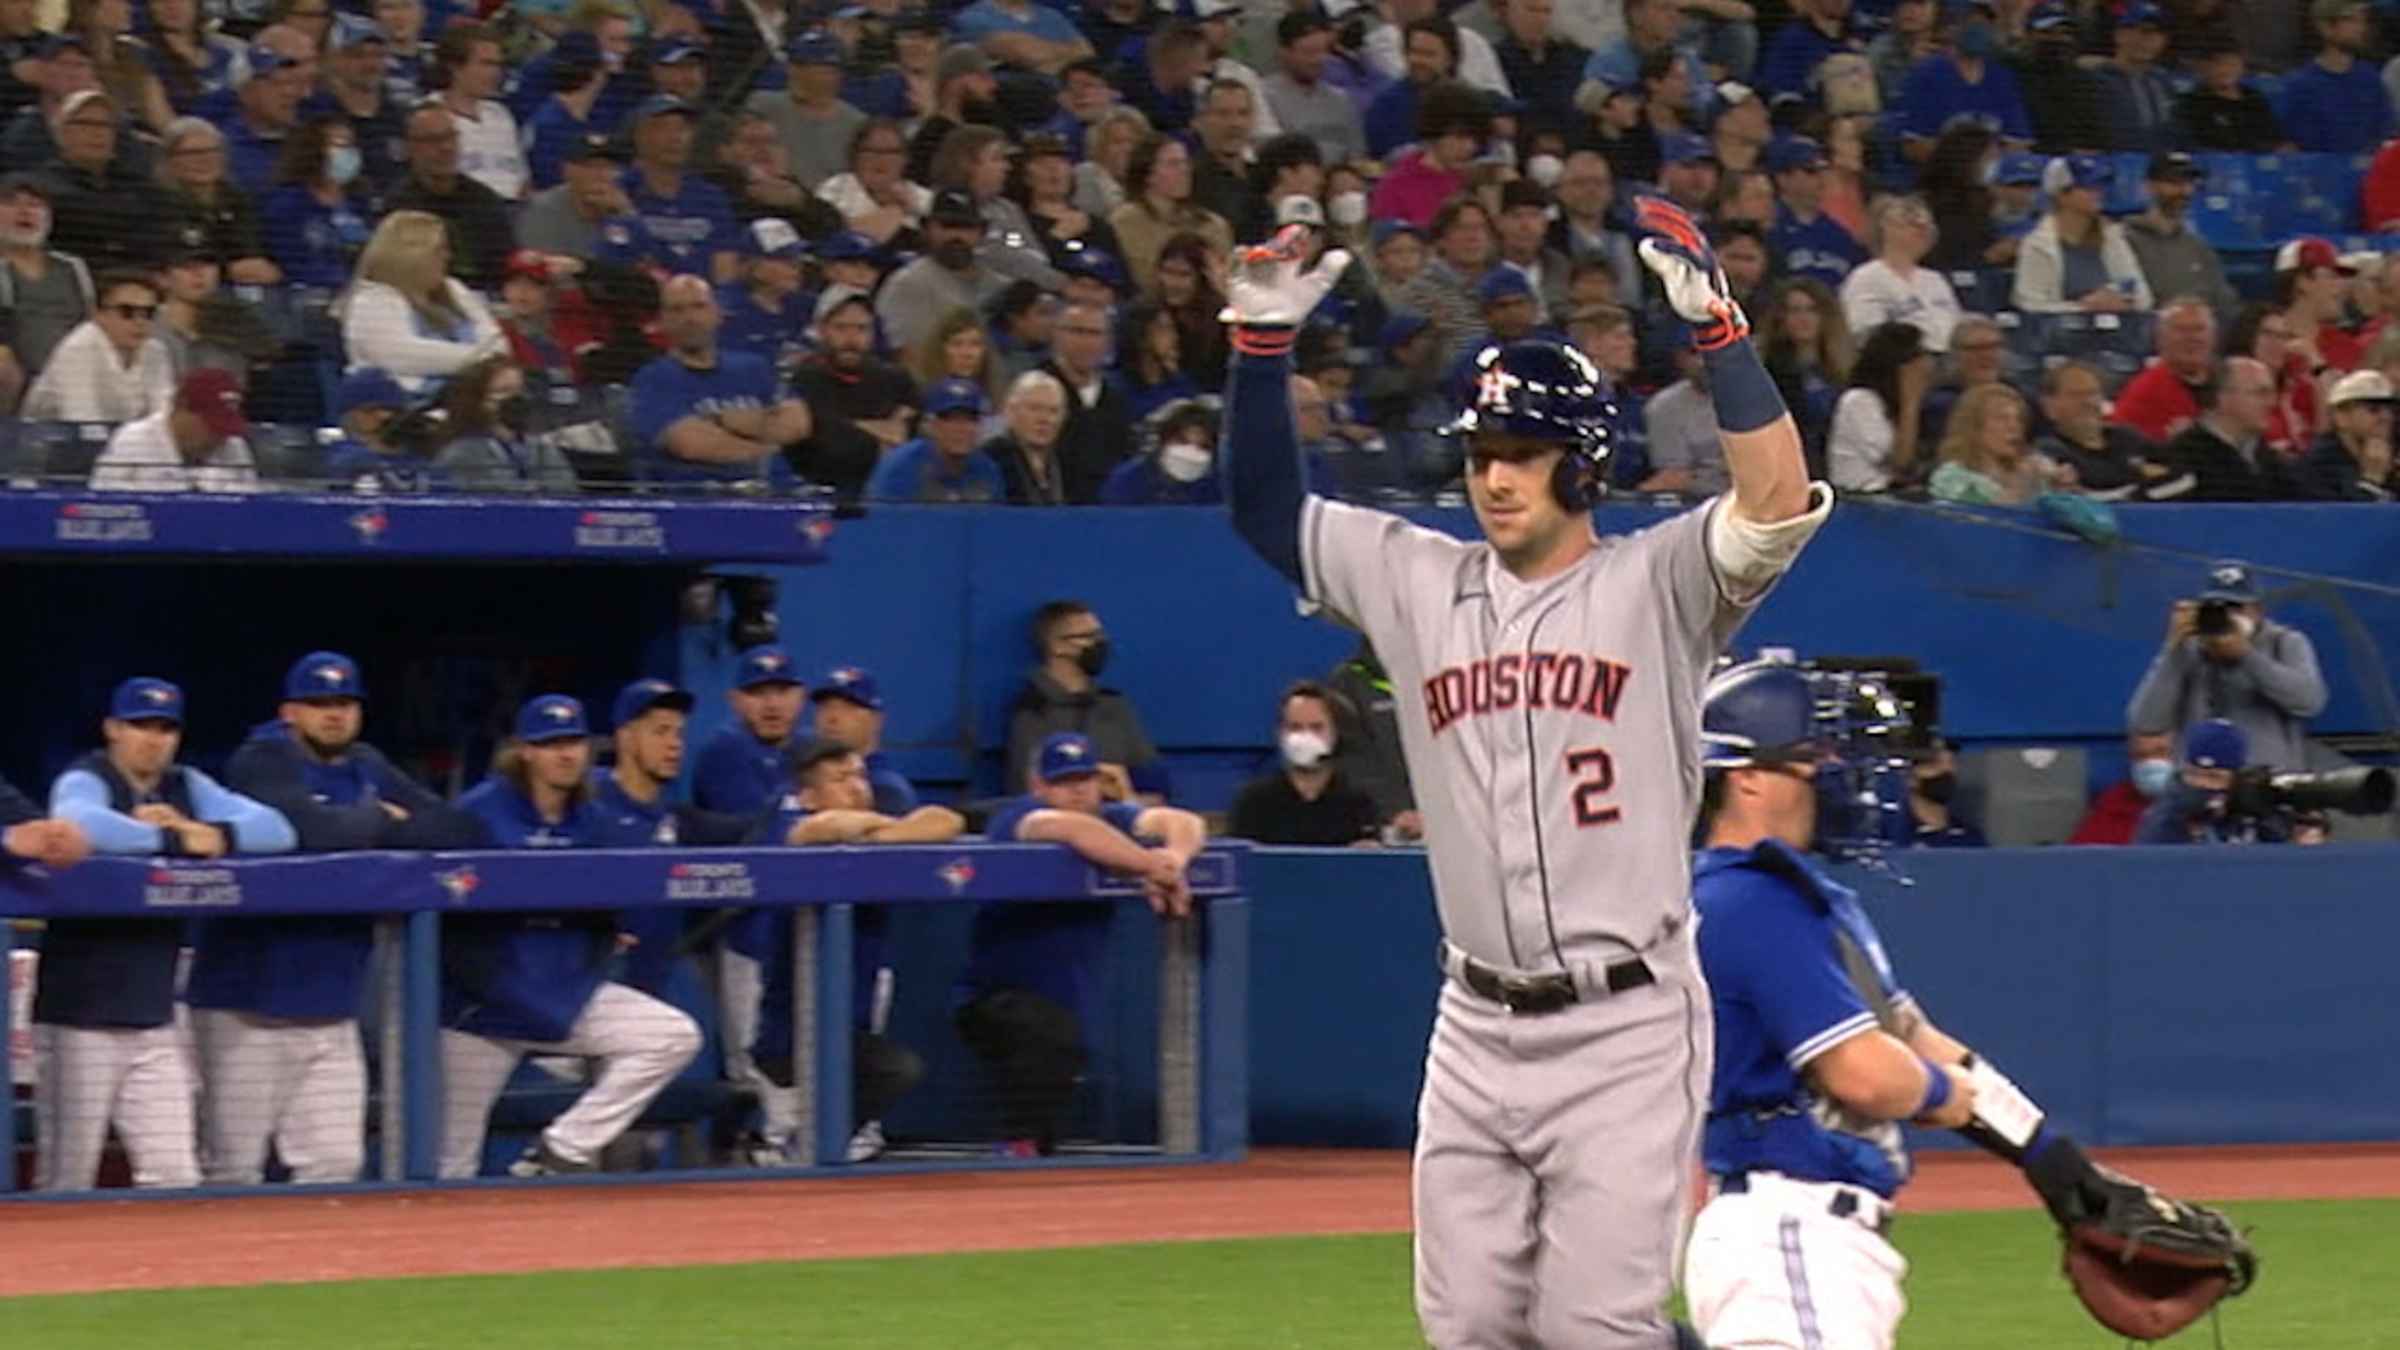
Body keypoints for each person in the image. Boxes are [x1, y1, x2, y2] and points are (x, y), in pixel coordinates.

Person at [1220, 193, 1829, 1346]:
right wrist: (1259, 351)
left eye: (1525, 456)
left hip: (1627, 1022)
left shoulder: (1659, 586)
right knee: (1468, 1335)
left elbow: (1775, 500)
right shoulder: (1414, 579)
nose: (1496, 479)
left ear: (1583, 465)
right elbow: (1262, 510)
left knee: (1596, 1330)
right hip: (1474, 1020)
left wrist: (1723, 338)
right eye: (1482, 455)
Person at [1684, 660, 2167, 1350]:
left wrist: (2048, 1157)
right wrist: (1942, 1094)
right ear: (1748, 775)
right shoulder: (1752, 901)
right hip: (1788, 1226)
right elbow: (1871, 1075)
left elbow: (1914, 1036)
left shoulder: (1786, 895)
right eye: (1812, 755)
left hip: (1802, 1235)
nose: (1834, 773)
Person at [194, 651, 482, 1186]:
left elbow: (454, 828)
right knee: (232, 1172)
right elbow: (308, 831)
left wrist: (364, 826)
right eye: (318, 703)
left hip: (331, 1005)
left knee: (335, 1165)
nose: (334, 713)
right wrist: (380, 819)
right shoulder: (260, 759)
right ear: (289, 712)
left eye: (345, 702)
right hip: (246, 1005)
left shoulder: (367, 763)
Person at [39, 676, 296, 1191]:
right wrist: (173, 837)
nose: (152, 739)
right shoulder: (86, 777)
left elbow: (278, 830)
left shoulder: (186, 785)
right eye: (139, 726)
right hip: (78, 1021)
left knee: (176, 1179)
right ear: (112, 729)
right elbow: (76, 824)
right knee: (65, 1184)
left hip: (155, 1021)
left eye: (165, 728)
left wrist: (214, 833)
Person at [440, 695, 705, 1178]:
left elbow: (611, 898)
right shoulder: (479, 813)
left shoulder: (592, 818)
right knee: (448, 1165)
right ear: (524, 751)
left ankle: (561, 1148)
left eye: (574, 743)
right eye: (550, 744)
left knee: (671, 1036)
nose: (565, 754)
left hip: (564, 993)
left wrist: (603, 938)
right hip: (482, 1013)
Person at [954, 730, 1206, 1156]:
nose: (1076, 792)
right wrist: (1150, 867)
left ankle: (1026, 1151)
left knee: (1061, 1050)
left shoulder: (1111, 819)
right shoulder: (1020, 815)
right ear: (1039, 786)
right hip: (993, 995)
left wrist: (1175, 860)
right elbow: (1070, 829)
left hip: (1064, 998)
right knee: (1051, 1037)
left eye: (1084, 780)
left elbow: (1183, 822)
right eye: (1063, 782)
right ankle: (1016, 1146)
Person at [746, 737, 959, 1164]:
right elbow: (817, 829)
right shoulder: (787, 817)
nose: (858, 786)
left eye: (859, 775)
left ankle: (800, 1147)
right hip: (791, 1030)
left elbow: (946, 819)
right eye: (841, 779)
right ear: (806, 794)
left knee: (888, 1074)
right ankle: (784, 1145)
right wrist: (884, 831)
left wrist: (880, 833)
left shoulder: (874, 824)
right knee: (890, 1070)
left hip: (847, 1028)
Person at [2127, 560, 2326, 775]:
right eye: (2217, 608)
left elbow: (2309, 701)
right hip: (2200, 783)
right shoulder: (2190, 648)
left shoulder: (2284, 642)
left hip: (2265, 783)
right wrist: (2172, 649)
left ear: (2257, 610)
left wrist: (2246, 655)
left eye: (2235, 607)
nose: (2226, 616)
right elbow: (2147, 723)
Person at [629, 275, 808, 491]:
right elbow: (691, 444)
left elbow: (797, 424)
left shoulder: (754, 367)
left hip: (782, 494)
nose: (690, 318)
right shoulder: (653, 379)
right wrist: (767, 445)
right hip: (702, 501)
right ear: (662, 321)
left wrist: (719, 419)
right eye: (677, 310)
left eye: (699, 306)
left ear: (718, 313)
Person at [1004, 599, 1167, 801]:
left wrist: (1129, 800)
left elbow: (1155, 789)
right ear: (1057, 645)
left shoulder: (1114, 707)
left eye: (1100, 636)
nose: (1099, 644)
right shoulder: (1031, 711)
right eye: (1088, 637)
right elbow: (1030, 792)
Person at [338, 208, 505, 390]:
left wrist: (484, 361)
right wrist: (479, 360)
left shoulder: (453, 288)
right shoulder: (372, 301)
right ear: (412, 256)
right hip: (407, 406)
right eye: (440, 250)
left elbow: (498, 343)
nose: (448, 256)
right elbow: (401, 355)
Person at [788, 291, 919, 500]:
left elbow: (909, 439)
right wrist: (880, 431)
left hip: (888, 494)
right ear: (822, 330)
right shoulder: (806, 378)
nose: (851, 339)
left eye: (861, 329)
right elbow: (828, 446)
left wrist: (849, 426)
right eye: (840, 328)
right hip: (820, 493)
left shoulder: (895, 378)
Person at [1227, 681, 1382, 846]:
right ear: (1280, 733)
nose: (1305, 737)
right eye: (1295, 727)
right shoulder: (1253, 802)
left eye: (1316, 728)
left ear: (1336, 733)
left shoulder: (1359, 803)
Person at [606, 95, 741, 285]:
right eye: (661, 127)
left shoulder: (711, 197)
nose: (675, 137)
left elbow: (725, 273)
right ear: (638, 136)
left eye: (682, 128)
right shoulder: (619, 191)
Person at [384, 103, 517, 290]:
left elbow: (504, 265)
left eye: (450, 137)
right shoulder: (399, 207)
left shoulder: (483, 199)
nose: (446, 148)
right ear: (409, 147)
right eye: (433, 140)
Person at [20, 268, 172, 422]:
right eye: (126, 312)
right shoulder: (78, 349)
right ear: (98, 314)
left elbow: (163, 414)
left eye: (149, 313)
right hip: (48, 437)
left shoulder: (155, 351)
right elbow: (82, 418)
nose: (140, 322)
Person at [2011, 154, 2151, 316]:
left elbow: (2142, 297)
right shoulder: (2037, 244)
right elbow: (2030, 304)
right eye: (2088, 188)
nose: (2098, 193)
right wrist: (2084, 308)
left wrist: (2122, 300)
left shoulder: (2112, 238)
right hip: (2058, 337)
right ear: (2062, 194)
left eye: (2099, 186)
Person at [2033, 360, 2190, 501]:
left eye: (2093, 393)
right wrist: (2140, 476)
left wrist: (2131, 492)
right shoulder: (2048, 449)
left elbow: (2184, 477)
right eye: (2076, 395)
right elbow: (2087, 497)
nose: (2088, 402)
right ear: (2050, 406)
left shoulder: (2126, 437)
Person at [88, 366, 262, 493]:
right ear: (181, 408)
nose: (218, 438)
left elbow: (251, 511)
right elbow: (102, 507)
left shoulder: (233, 444)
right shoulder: (133, 441)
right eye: (210, 426)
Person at [0, 171, 94, 396]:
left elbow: (91, 323)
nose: (25, 212)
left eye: (35, 205)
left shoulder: (73, 267)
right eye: (11, 203)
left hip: (73, 375)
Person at [428, 355, 577, 494]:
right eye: (503, 391)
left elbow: (566, 487)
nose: (515, 399)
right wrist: (538, 488)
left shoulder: (540, 446)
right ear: (479, 400)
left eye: (520, 390)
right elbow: (498, 493)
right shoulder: (462, 451)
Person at [2132, 718, 2293, 845]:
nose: (2202, 784)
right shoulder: (2166, 812)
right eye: (2194, 775)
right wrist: (2177, 816)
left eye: (2214, 777)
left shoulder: (2254, 815)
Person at [1108, 132, 1231, 298]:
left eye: (1185, 163)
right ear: (1148, 175)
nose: (1185, 170)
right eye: (1173, 164)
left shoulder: (1213, 225)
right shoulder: (1125, 222)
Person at [877, 189, 999, 353]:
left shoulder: (997, 284)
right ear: (927, 230)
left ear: (981, 233)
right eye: (948, 226)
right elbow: (904, 357)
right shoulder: (909, 284)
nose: (957, 236)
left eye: (966, 227)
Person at [1839, 194, 1961, 355]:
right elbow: (1865, 334)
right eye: (1911, 221)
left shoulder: (1935, 280)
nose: (1923, 228)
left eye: (1927, 224)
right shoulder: (1866, 278)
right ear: (1886, 227)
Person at [2160, 357, 2294, 502]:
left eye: (2272, 393)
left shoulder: (2270, 462)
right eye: (2261, 393)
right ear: (2223, 397)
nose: (2271, 403)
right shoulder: (2185, 456)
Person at [2123, 152, 2237, 323]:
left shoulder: (2198, 247)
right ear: (2150, 187)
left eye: (2188, 183)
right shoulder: (2125, 240)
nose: (2184, 191)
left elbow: (2225, 304)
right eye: (2173, 182)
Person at [864, 377, 1005, 502]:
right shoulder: (899, 470)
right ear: (930, 425)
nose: (962, 429)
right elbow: (880, 526)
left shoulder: (988, 471)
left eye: (971, 420)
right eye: (950, 419)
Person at [2276, 0, 2388, 155]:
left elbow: (2386, 136)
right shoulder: (2301, 86)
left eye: (2362, 20)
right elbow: (2289, 147)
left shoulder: (2370, 80)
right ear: (2326, 27)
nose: (2360, 27)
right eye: (2351, 20)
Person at [429, 21, 525, 201]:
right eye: (486, 64)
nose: (495, 73)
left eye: (497, 65)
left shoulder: (501, 115)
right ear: (455, 67)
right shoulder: (430, 113)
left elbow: (522, 181)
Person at [1927, 383, 2063, 505]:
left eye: (2018, 420)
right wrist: (2025, 483)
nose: (2013, 426)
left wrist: (2061, 488)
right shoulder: (1953, 477)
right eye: (2001, 418)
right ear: (1974, 427)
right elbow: (1995, 517)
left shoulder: (2035, 471)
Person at [1262, 11, 1367, 168]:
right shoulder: (1265, 96)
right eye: (1309, 52)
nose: (1318, 60)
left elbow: (1357, 157)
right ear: (1284, 53)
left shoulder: (1341, 100)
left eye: (1322, 51)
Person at [2108, 296, 2217, 443]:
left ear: (2213, 336)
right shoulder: (2143, 393)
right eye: (2181, 330)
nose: (2192, 338)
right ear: (2159, 338)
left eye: (2199, 329)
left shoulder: (2232, 382)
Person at [324, 365, 448, 492]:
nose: (385, 416)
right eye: (370, 410)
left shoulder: (424, 458)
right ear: (349, 415)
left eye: (394, 410)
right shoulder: (345, 459)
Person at [2295, 368, 2399, 501]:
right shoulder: (2316, 469)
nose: (2386, 417)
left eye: (2391, 410)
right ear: (2341, 417)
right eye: (2374, 409)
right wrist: (2372, 480)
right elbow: (2342, 520)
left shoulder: (2392, 457)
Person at [2174, 34, 2285, 154]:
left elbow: (2273, 137)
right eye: (2217, 64)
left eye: (2231, 63)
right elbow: (2194, 145)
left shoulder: (2254, 98)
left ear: (2242, 66)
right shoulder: (2192, 103)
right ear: (2202, 67)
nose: (2225, 70)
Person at [2068, 728, 2176, 845]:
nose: (2151, 762)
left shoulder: (2195, 801)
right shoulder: (2116, 800)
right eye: (2141, 756)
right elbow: (2081, 854)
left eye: (2161, 752)